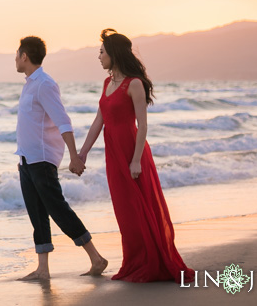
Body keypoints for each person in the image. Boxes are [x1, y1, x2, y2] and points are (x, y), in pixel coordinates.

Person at [77, 29, 195, 282]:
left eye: (101, 52)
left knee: (142, 207)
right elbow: (99, 121)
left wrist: (135, 160)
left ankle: (151, 261)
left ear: (114, 54)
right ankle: (134, 260)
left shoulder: (135, 84)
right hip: (113, 153)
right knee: (124, 210)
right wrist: (83, 153)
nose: (99, 57)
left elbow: (142, 125)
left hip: (133, 152)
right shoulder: (108, 83)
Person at [14, 36, 108, 280]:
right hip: (28, 160)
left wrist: (75, 156)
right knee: (37, 214)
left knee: (58, 210)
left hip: (43, 161)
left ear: (25, 56)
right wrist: (23, 156)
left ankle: (96, 258)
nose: (15, 58)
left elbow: (63, 120)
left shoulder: (44, 84)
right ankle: (43, 269)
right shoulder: (30, 84)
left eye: (17, 54)